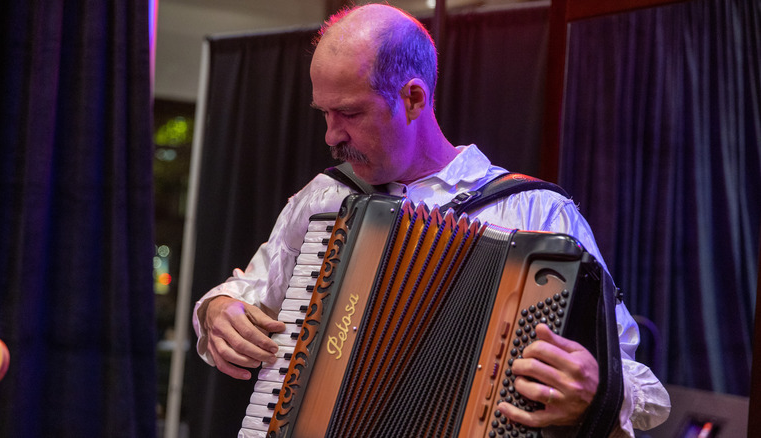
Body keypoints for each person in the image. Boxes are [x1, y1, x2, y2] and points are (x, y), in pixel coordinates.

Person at [192, 3, 670, 436]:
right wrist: (217, 311)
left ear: (415, 99)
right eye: (324, 113)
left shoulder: (537, 213)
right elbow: (248, 293)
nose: (331, 135)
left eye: (350, 113)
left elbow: (641, 388)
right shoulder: (323, 200)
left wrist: (595, 391)